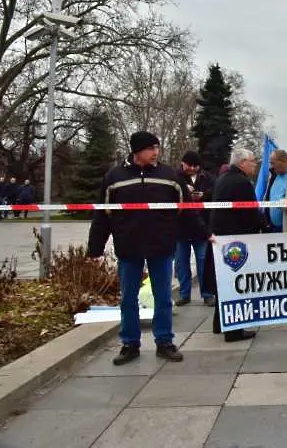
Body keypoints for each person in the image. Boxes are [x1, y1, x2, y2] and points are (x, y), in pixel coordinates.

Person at [88, 131, 211, 366]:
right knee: (128, 299)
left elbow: (187, 212)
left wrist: (205, 234)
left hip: (162, 246)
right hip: (128, 247)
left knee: (163, 297)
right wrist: (95, 248)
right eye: (150, 148)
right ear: (137, 151)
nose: (156, 153)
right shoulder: (114, 177)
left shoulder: (170, 176)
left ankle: (164, 341)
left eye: (157, 148)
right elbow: (102, 215)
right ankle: (130, 343)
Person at [205, 148, 267, 341]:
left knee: (224, 282)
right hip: (236, 239)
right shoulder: (242, 182)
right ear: (242, 163)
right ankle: (234, 330)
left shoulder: (223, 178)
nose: (255, 164)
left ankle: (219, 324)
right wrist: (263, 224)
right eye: (252, 161)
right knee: (235, 283)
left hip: (221, 237)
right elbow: (249, 212)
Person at [174, 151, 216, 307]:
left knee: (203, 262)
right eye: (189, 165)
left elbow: (216, 193)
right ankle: (184, 294)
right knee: (181, 264)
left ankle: (207, 294)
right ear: (182, 163)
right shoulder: (174, 177)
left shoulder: (208, 178)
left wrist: (203, 195)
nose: (192, 168)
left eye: (195, 166)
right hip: (181, 227)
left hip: (202, 227)